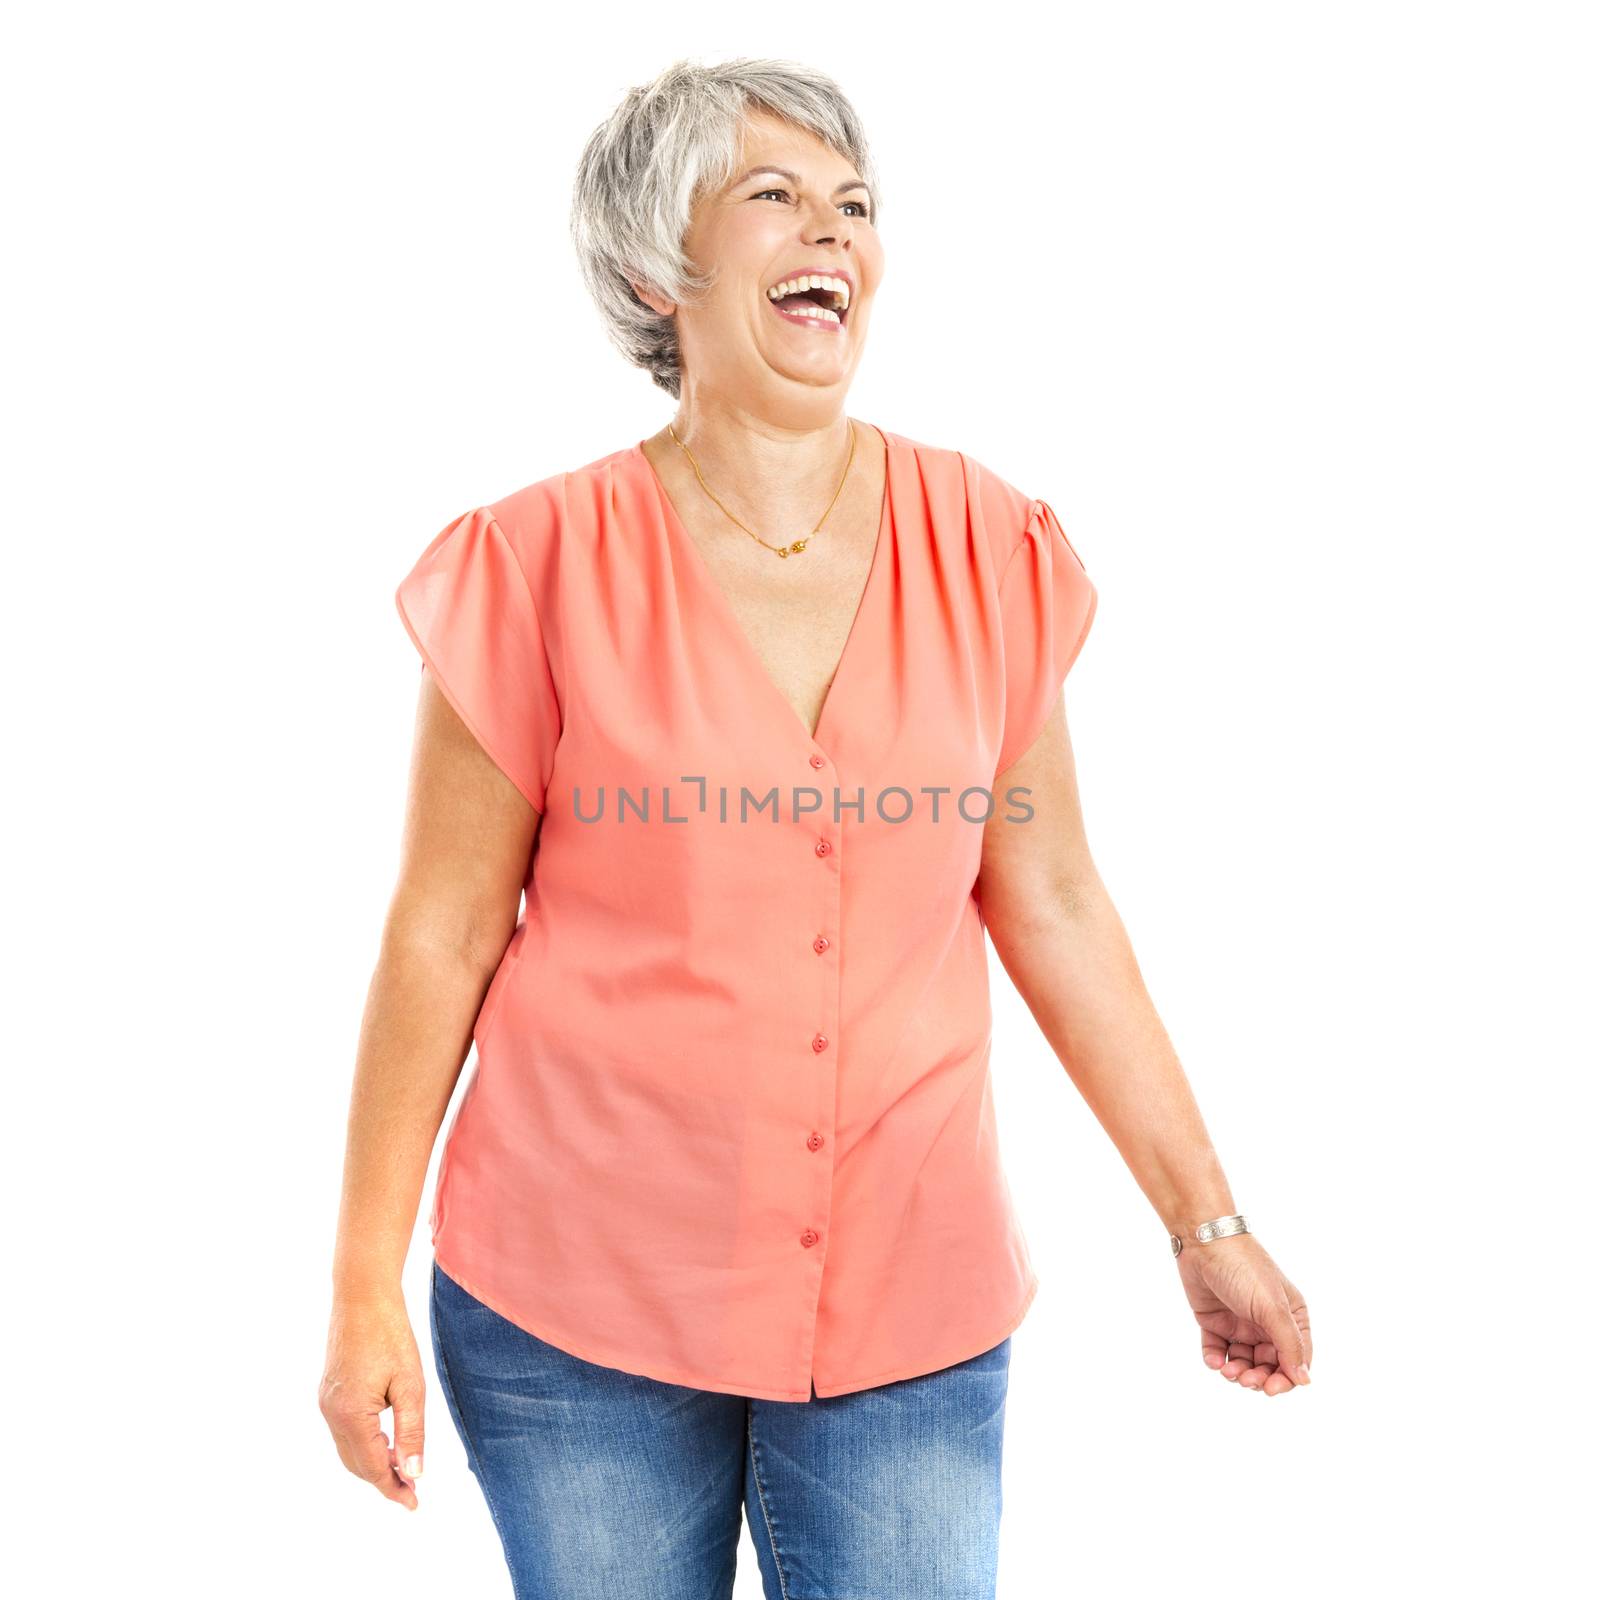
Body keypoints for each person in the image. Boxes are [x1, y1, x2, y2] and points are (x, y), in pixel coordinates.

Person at [319, 56, 1313, 1600]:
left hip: (907, 1301)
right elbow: (439, 935)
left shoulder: (992, 548)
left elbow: (1053, 901)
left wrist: (1209, 1218)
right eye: (774, 198)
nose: (832, 233)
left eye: (854, 206)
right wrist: (360, 1290)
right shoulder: (528, 565)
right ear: (663, 269)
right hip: (575, 1296)